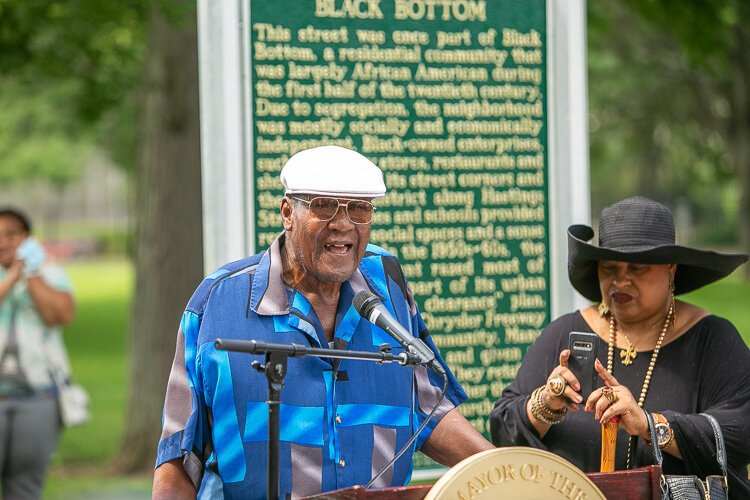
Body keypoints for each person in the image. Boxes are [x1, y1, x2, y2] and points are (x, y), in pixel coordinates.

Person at [153, 146, 493, 499]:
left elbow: (429, 410)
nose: (343, 224)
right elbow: (179, 456)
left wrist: (510, 474)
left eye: (359, 208)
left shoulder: (387, 285)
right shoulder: (219, 303)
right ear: (288, 212)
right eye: (324, 205)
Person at [490, 196, 750, 496]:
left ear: (671, 269)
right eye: (609, 267)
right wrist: (546, 404)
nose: (620, 280)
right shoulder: (566, 333)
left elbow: (741, 432)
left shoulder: (711, 338)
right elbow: (503, 430)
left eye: (636, 268)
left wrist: (651, 425)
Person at [0, 207, 76, 499]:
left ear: (26, 238)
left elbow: (61, 315)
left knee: (26, 487)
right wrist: (13, 275)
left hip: (38, 396)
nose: (4, 241)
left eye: (11, 234)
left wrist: (30, 274)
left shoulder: (49, 273)